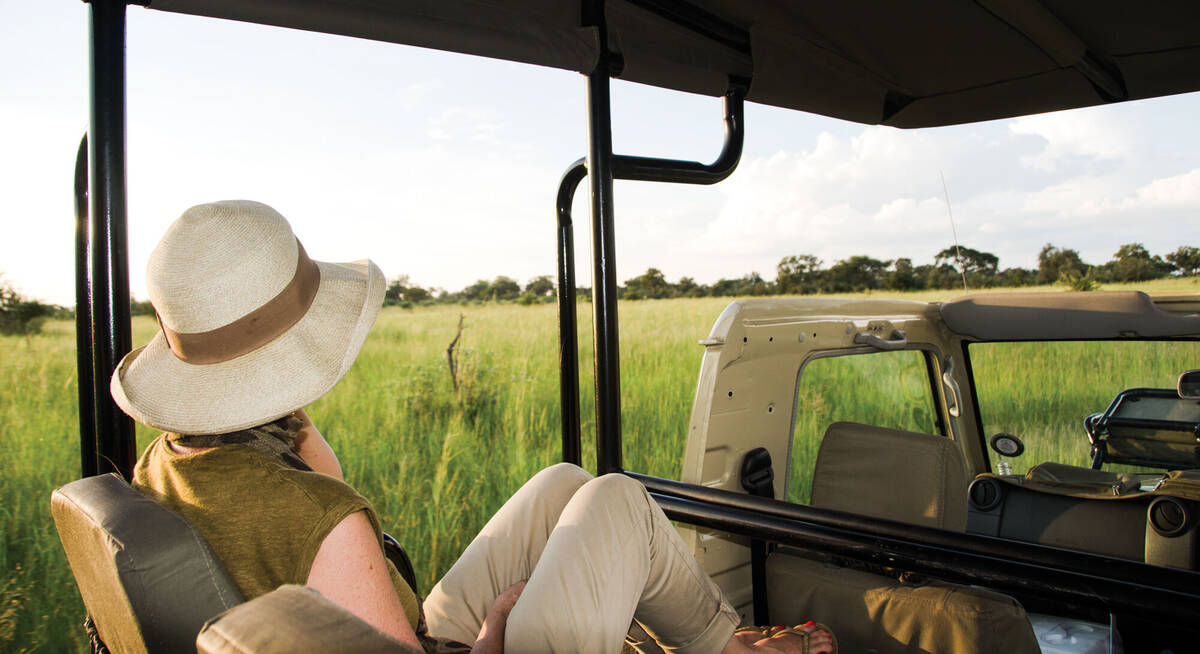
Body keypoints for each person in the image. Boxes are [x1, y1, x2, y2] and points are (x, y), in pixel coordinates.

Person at [113, 200, 835, 654]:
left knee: (564, 485)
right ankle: (728, 649)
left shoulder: (165, 464)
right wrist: (491, 638)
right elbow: (321, 519)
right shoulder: (321, 520)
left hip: (397, 630)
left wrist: (287, 415)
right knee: (616, 498)